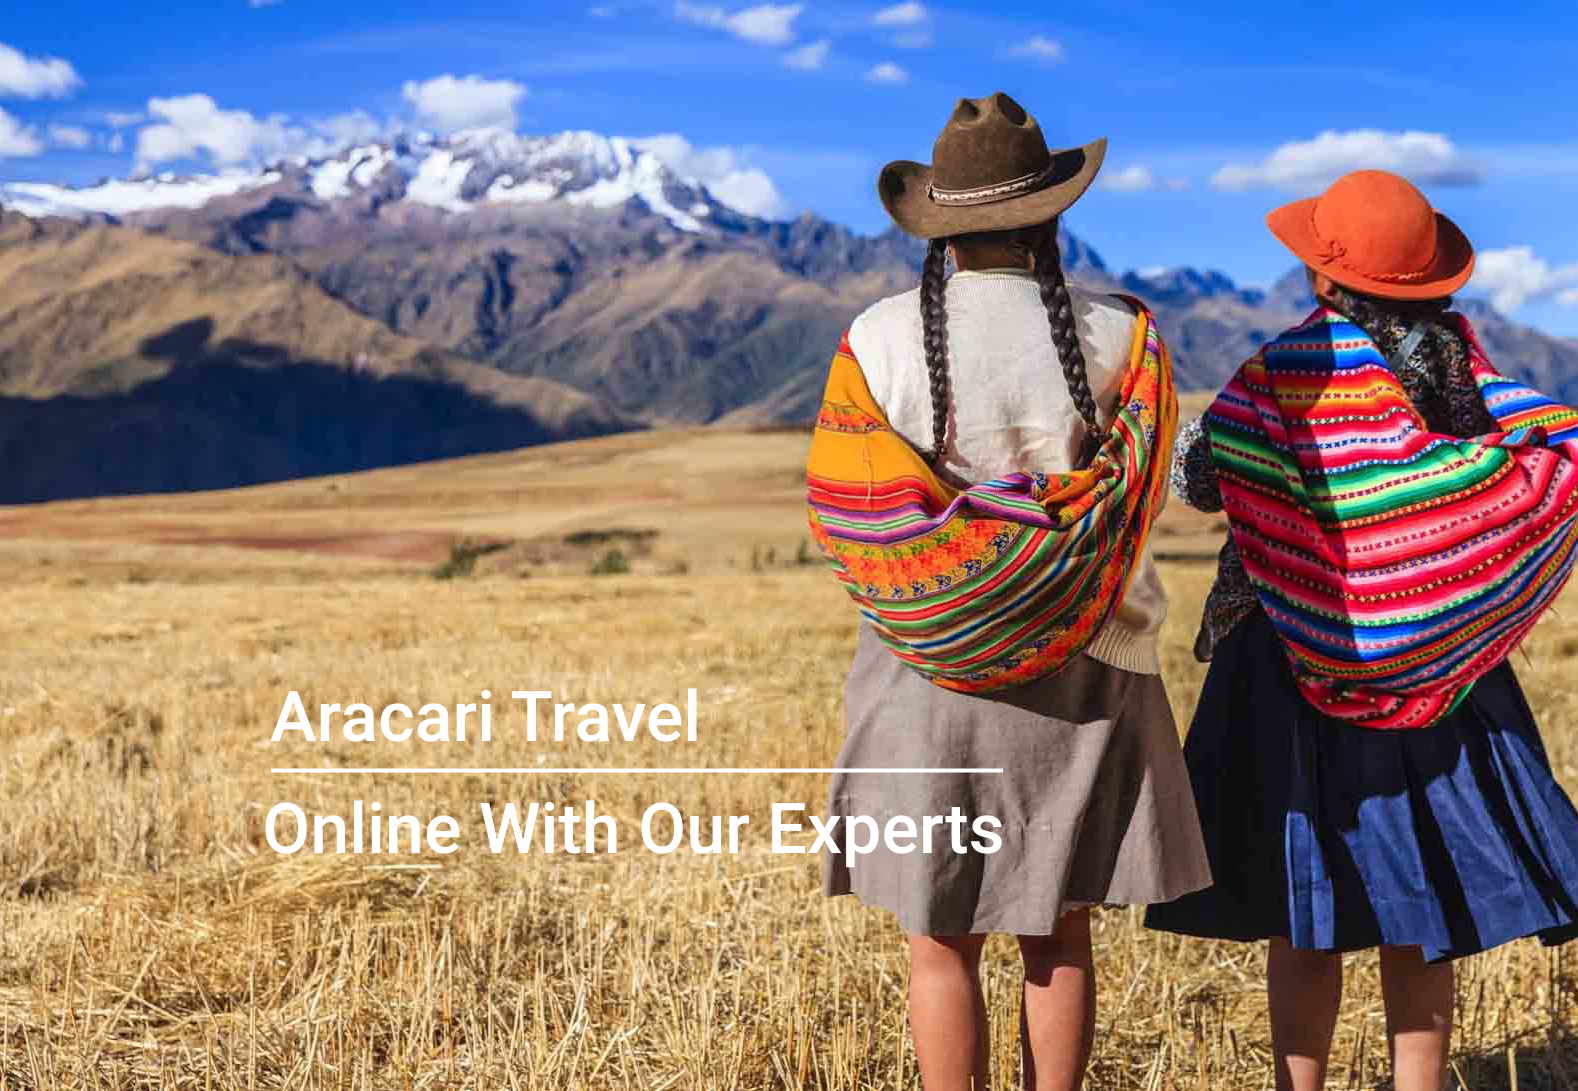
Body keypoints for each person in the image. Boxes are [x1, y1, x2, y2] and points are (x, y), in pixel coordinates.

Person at [806, 91, 1210, 1091]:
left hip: (924, 673)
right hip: (1087, 666)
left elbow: (844, 505)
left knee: (939, 936)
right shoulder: (1122, 340)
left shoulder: (877, 339)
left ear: (939, 224)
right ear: (1050, 214)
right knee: (1059, 928)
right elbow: (1150, 486)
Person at [1146, 169, 1578, 1091]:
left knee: (1307, 909)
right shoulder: (1466, 372)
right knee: (1418, 905)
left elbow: (1201, 475)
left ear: (1322, 277)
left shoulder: (1285, 369)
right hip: (1441, 677)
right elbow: (1527, 463)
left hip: (1283, 661)